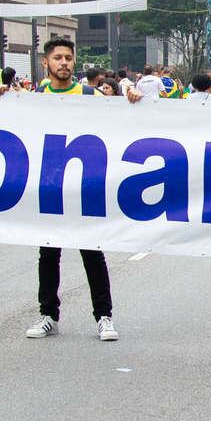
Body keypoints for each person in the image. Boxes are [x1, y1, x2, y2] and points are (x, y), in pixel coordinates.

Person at [25, 35, 141, 343]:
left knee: (92, 251)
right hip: (50, 183)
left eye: (68, 58)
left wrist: (130, 96)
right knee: (48, 253)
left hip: (85, 183)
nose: (63, 63)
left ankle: (104, 317)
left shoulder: (89, 94)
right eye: (57, 58)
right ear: (45, 62)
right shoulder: (34, 95)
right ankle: (48, 315)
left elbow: (120, 120)